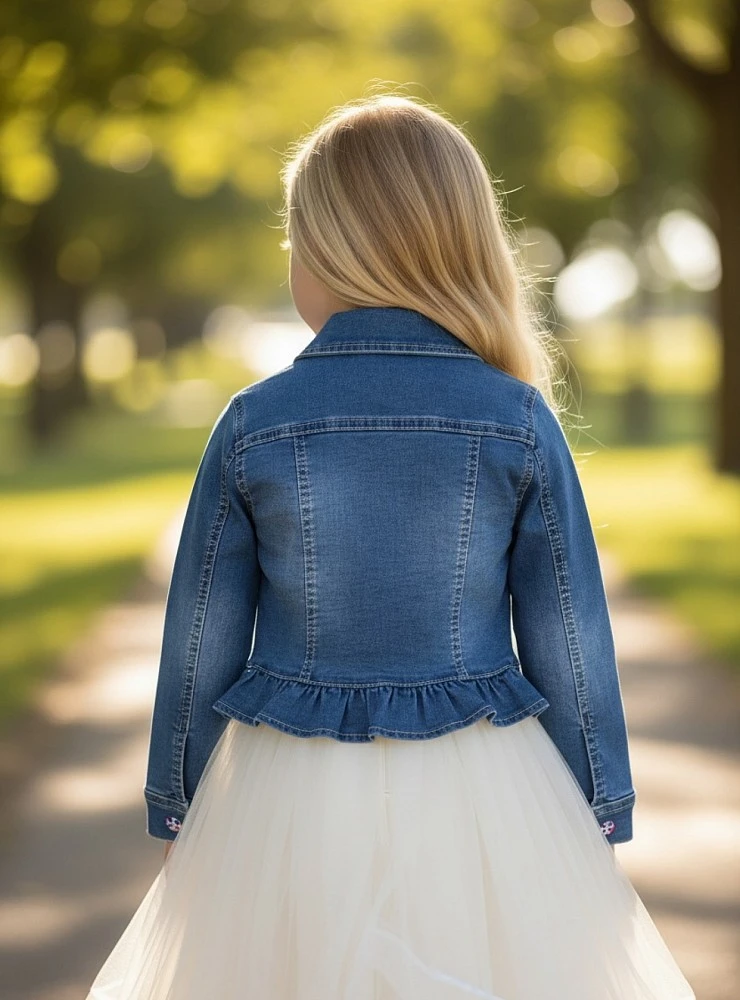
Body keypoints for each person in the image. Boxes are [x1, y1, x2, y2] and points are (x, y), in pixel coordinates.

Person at [85, 93, 696, 999]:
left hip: (285, 794)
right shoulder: (517, 419)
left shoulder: (255, 423)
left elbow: (198, 637)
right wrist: (598, 807)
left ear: (329, 252)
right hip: (487, 788)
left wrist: (179, 802)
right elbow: (572, 635)